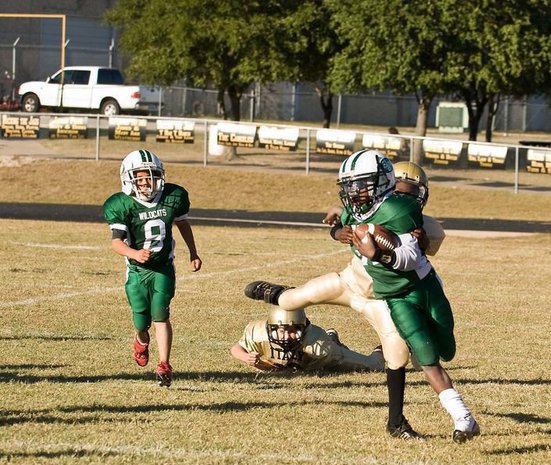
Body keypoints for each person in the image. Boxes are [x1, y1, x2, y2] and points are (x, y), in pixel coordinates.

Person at [248, 150, 479, 444]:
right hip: (350, 282)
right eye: (399, 187)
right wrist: (337, 231)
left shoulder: (414, 219)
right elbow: (344, 217)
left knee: (399, 355)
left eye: (408, 191)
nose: (402, 194)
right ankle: (274, 293)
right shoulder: (362, 206)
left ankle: (396, 421)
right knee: (293, 300)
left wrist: (403, 242)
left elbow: (415, 248)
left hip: (382, 298)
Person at [103, 149, 202, 387]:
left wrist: (193, 252)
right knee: (141, 321)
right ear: (129, 178)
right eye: (141, 176)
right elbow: (116, 242)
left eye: (152, 175)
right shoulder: (121, 204)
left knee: (161, 313)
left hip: (163, 268)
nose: (147, 181)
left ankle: (164, 365)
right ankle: (140, 339)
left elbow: (182, 223)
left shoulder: (173, 196)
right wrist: (134, 253)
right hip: (137, 271)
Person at [231, 305, 384, 372]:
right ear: (270, 328)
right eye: (282, 331)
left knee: (373, 365)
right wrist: (246, 357)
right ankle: (332, 336)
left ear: (303, 329)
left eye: (292, 331)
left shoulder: (316, 344)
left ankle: (380, 349)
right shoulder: (258, 333)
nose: (286, 336)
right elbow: (236, 348)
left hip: (325, 356)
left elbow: (315, 368)